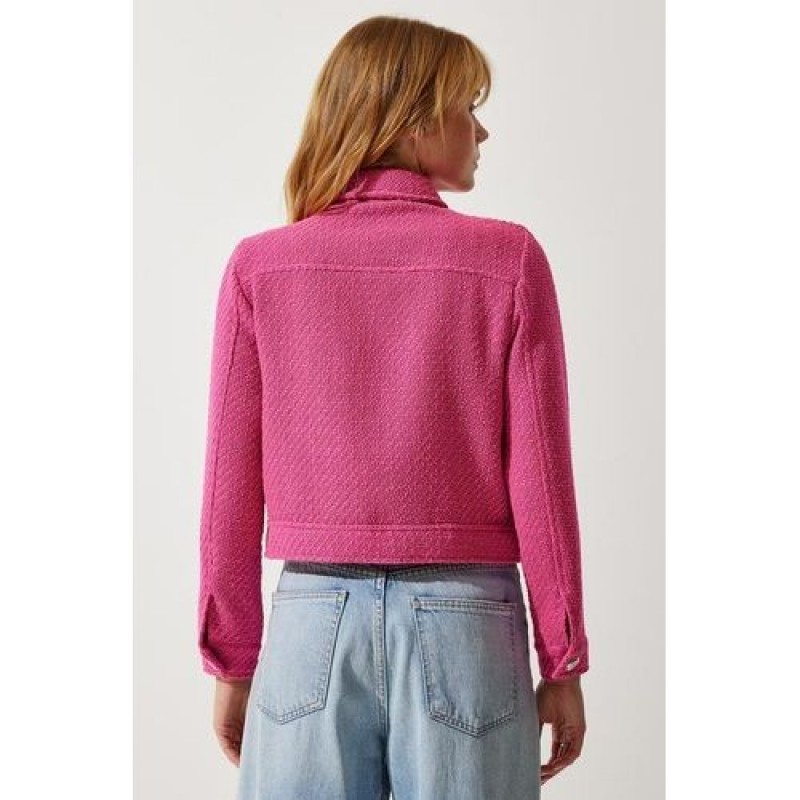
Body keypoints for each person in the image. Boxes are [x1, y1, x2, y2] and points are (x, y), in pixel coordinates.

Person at [197, 14, 589, 799]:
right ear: (413, 119)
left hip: (311, 621)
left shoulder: (260, 268)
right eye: (466, 106)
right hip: (467, 623)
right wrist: (564, 658)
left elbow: (227, 490)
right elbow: (541, 480)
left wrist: (234, 659)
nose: (481, 129)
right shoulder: (508, 260)